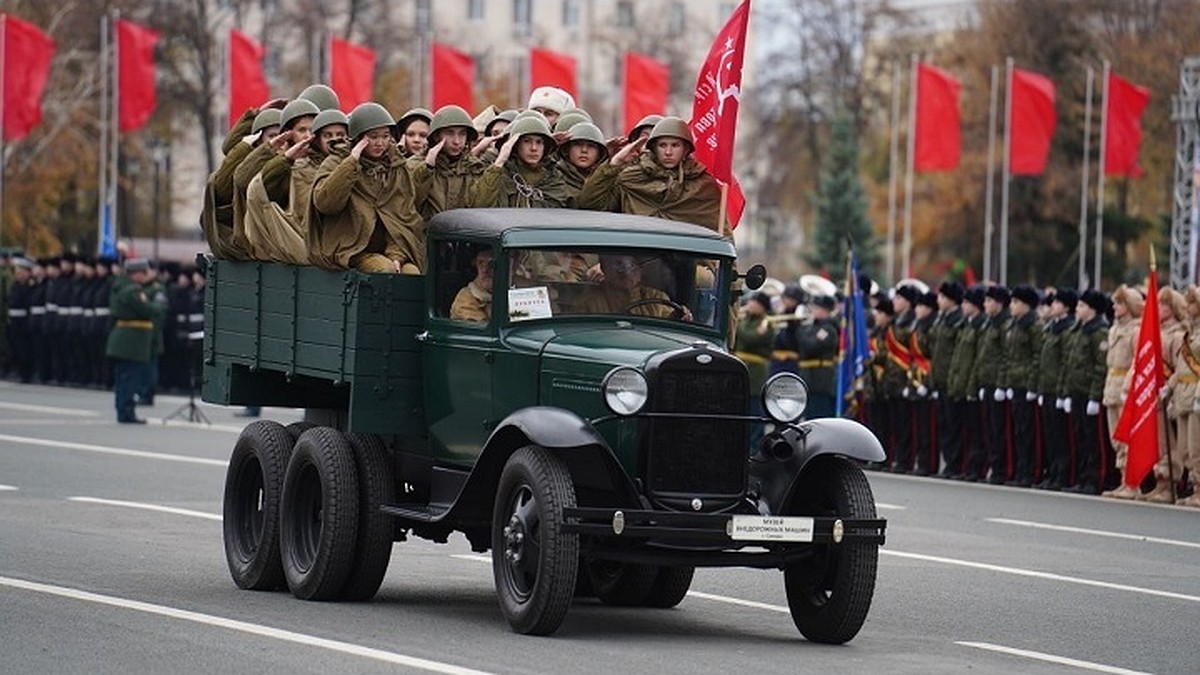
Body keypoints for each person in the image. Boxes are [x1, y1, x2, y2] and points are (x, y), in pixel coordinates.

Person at [309, 102, 425, 274]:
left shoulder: (396, 167)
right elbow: (326, 203)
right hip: (351, 248)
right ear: (358, 137)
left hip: (388, 249)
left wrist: (397, 255)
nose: (380, 143)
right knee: (384, 270)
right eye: (373, 136)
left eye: (385, 136)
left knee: (412, 273)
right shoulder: (336, 161)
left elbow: (404, 215)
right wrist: (351, 162)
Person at [577, 116, 722, 230]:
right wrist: (614, 163)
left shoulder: (702, 184)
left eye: (675, 145)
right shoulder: (631, 177)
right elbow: (590, 204)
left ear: (685, 149)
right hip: (638, 260)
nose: (668, 152)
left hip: (688, 263)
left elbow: (720, 229)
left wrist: (724, 266)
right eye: (662, 145)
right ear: (653, 148)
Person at [202, 99, 287, 259]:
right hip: (247, 242)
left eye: (282, 135)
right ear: (258, 140)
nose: (278, 141)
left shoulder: (289, 160)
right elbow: (226, 183)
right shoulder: (250, 165)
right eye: (272, 136)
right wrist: (255, 116)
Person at [467, 116, 571, 209]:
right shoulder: (500, 175)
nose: (534, 148)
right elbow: (480, 204)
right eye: (527, 141)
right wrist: (499, 162)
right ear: (515, 145)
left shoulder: (553, 177)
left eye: (539, 142)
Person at [106, 259, 164, 424]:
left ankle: (123, 410)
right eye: (143, 273)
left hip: (123, 340)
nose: (145, 276)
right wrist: (157, 307)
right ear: (136, 274)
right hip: (131, 342)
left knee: (123, 378)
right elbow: (148, 309)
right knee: (129, 379)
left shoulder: (120, 286)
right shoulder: (133, 290)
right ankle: (126, 412)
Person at [1101, 285, 1144, 499]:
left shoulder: (1136, 330)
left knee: (1127, 436)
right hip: (1112, 384)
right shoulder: (1114, 329)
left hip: (1126, 385)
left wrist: (1129, 386)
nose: (1115, 307)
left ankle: (1131, 483)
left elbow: (1138, 361)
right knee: (1115, 437)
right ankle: (1122, 480)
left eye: (1120, 303)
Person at [412, 105, 488, 221]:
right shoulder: (414, 165)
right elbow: (410, 203)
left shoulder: (475, 168)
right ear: (437, 136)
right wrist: (427, 168)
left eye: (462, 134)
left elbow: (483, 207)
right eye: (450, 133)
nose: (457, 141)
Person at [1035, 288, 1078, 490]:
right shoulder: (1052, 328)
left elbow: (1065, 364)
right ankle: (1052, 473)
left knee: (1062, 437)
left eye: (1057, 303)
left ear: (1067, 307)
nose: (1052, 306)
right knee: (1050, 436)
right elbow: (1044, 362)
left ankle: (1063, 475)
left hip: (1059, 390)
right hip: (1048, 388)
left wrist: (1063, 392)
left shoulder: (1068, 330)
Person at [1002, 285, 1043, 487]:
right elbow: (1007, 357)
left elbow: (1037, 357)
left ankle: (1030, 472)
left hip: (1027, 385)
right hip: (1015, 383)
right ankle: (1020, 469)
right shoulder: (1013, 325)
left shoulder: (1035, 326)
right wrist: (1006, 382)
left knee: (1028, 432)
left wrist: (1032, 386)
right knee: (1018, 431)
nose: (1012, 306)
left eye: (1016, 302)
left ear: (1027, 305)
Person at [948, 286, 986, 480]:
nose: (963, 306)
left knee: (975, 430)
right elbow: (958, 359)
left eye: (967, 303)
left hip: (971, 387)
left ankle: (975, 467)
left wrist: (971, 386)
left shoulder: (981, 327)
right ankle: (962, 466)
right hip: (959, 385)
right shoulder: (966, 325)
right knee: (962, 429)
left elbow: (977, 360)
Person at [575, 254, 683, 319]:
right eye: (618, 265)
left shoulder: (657, 298)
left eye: (632, 265)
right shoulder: (588, 302)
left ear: (640, 271)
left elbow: (669, 325)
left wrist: (680, 316)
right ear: (604, 269)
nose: (626, 272)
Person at [930, 281, 965, 478]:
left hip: (952, 380)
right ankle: (949, 463)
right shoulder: (942, 320)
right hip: (941, 380)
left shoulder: (958, 321)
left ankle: (954, 464)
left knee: (954, 426)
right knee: (944, 424)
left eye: (942, 297)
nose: (939, 300)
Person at [733, 292, 776, 452]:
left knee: (754, 409)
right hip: (741, 365)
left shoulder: (766, 323)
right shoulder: (745, 320)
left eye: (754, 302)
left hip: (756, 372)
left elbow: (751, 338)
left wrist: (737, 321)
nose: (750, 305)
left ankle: (754, 447)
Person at [797, 294, 840, 420]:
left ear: (825, 310)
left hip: (821, 379)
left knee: (820, 413)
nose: (813, 311)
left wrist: (804, 334)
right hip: (809, 377)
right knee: (809, 415)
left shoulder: (828, 329)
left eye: (817, 308)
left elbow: (811, 346)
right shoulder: (810, 327)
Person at [557, 123, 609, 207]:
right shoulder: (555, 177)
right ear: (567, 150)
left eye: (591, 146)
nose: (584, 150)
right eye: (578, 144)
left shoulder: (605, 179)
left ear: (599, 154)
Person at [450, 248, 494, 322]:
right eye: (481, 263)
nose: (485, 270)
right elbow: (485, 328)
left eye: (491, 264)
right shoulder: (466, 297)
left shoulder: (508, 290)